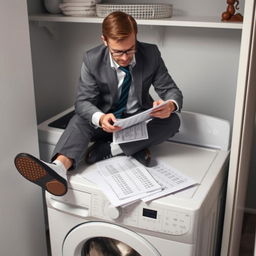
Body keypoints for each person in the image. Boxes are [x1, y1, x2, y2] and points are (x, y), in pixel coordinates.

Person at [14, 11, 183, 197]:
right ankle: (58, 168)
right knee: (79, 118)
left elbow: (170, 90)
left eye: (130, 49)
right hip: (105, 122)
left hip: (137, 121)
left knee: (173, 121)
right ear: (104, 40)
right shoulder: (91, 59)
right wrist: (100, 117)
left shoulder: (151, 54)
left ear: (136, 37)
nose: (126, 57)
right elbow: (83, 101)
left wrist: (170, 104)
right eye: (118, 52)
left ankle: (110, 149)